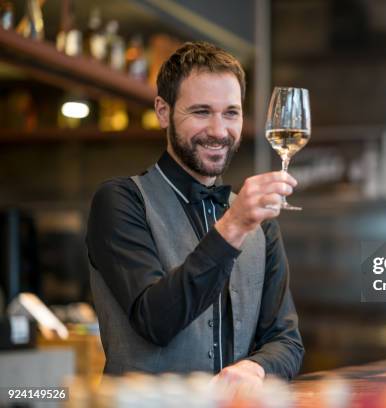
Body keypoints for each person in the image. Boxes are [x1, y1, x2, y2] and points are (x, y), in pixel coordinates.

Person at [86, 41, 304, 389]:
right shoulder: (120, 201)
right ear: (162, 110)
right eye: (202, 111)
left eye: (230, 113)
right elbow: (155, 321)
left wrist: (257, 368)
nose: (219, 131)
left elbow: (287, 341)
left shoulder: (261, 224)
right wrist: (233, 225)